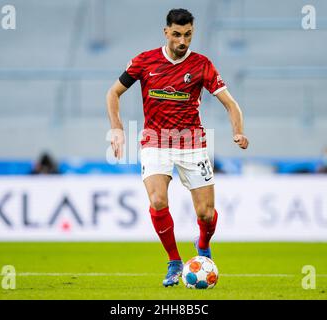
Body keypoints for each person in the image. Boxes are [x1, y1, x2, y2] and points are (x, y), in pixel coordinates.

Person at [106, 8, 248, 287]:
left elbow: (230, 103)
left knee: (205, 214)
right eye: (177, 35)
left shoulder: (202, 65)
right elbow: (113, 92)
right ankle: (174, 261)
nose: (183, 41)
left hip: (191, 142)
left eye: (188, 35)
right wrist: (117, 128)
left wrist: (238, 132)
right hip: (155, 141)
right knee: (158, 200)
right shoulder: (144, 61)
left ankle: (203, 245)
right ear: (166, 32)